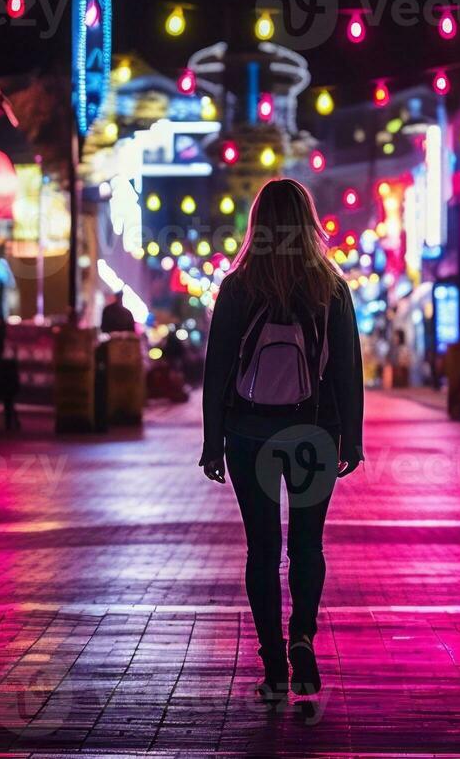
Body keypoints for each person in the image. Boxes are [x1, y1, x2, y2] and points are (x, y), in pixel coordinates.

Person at [200, 178, 364, 704]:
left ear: (259, 226)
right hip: (313, 431)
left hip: (248, 432)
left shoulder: (238, 286)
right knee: (307, 545)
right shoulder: (329, 288)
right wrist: (352, 438)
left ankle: (272, 663)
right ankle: (303, 637)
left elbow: (217, 370)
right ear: (307, 223)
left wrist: (211, 440)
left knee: (263, 550)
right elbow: (347, 370)